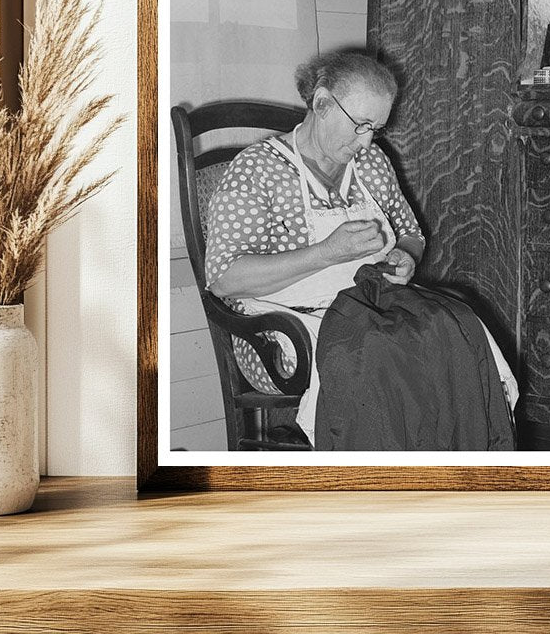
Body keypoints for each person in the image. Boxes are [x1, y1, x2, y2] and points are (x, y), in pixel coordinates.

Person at [204, 49, 516, 448]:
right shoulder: (257, 171)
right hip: (281, 326)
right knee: (383, 353)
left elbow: (411, 233)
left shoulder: (371, 164)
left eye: (376, 128)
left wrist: (406, 256)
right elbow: (224, 280)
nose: (366, 140)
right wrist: (325, 253)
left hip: (373, 303)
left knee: (458, 329)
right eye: (360, 125)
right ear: (321, 103)